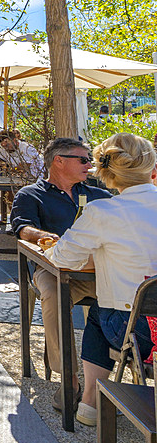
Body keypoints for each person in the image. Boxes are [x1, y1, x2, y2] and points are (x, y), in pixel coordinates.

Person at [44, 133, 157, 426]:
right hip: (147, 328)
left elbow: (63, 259)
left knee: (97, 314)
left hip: (138, 334)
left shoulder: (103, 211)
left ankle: (90, 402)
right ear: (151, 166)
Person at [10, 137, 112, 411]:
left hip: (99, 271)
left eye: (90, 159)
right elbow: (22, 228)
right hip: (52, 268)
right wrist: (44, 236)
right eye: (83, 159)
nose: (89, 165)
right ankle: (68, 378)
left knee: (131, 292)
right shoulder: (30, 194)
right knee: (54, 294)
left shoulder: (98, 194)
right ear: (59, 161)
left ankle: (120, 375)